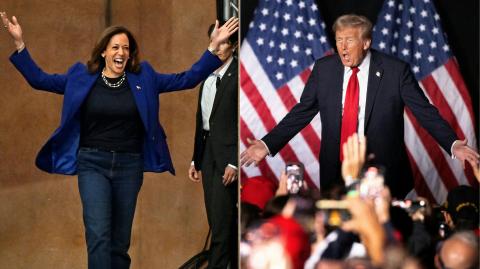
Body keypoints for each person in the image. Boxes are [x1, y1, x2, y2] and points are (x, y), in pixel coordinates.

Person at [1, 11, 238, 269]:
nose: (121, 52)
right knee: (99, 235)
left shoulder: (144, 77)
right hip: (92, 164)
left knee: (119, 242)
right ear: (103, 52)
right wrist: (20, 44)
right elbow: (40, 80)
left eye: (126, 48)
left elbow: (187, 79)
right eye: (115, 47)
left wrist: (212, 48)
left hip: (129, 166)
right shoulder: (81, 77)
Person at [240, 14, 479, 199]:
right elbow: (302, 112)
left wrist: (452, 143)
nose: (342, 47)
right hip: (336, 173)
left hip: (384, 173)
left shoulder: (395, 71)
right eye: (339, 40)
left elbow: (425, 112)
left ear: (366, 42)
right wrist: (267, 144)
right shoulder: (324, 69)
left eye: (349, 40)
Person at [187, 22, 238, 268]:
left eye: (224, 43)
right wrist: (196, 158)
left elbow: (244, 122)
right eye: (214, 42)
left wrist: (234, 161)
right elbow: (202, 120)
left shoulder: (239, 75)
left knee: (222, 226)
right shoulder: (206, 74)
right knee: (216, 221)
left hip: (228, 158)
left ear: (234, 45)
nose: (218, 48)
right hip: (207, 155)